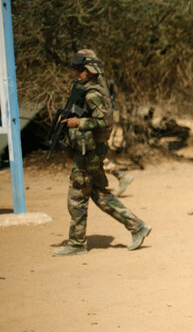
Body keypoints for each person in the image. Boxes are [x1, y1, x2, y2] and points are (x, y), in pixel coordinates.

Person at [52, 50, 151, 256]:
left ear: (89, 70)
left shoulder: (93, 93)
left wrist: (79, 122)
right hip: (89, 151)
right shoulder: (91, 88)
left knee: (77, 195)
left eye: (80, 70)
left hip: (88, 153)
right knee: (100, 195)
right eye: (76, 70)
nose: (77, 74)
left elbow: (104, 120)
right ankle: (137, 226)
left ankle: (77, 243)